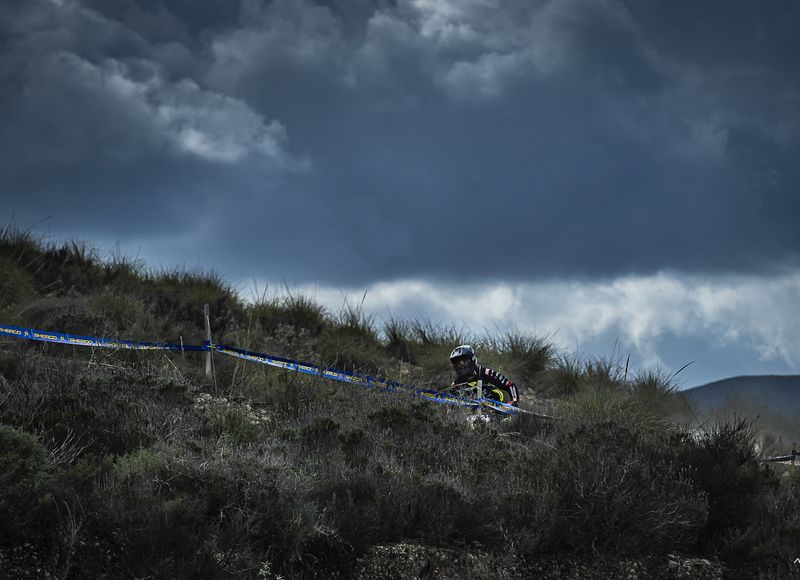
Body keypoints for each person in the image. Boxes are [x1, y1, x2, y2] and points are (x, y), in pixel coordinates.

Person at [449, 344, 519, 407]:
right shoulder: (456, 384)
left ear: (472, 360)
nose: (461, 366)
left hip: (496, 413)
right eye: (458, 364)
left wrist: (514, 401)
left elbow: (510, 385)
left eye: (464, 362)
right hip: (470, 415)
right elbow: (450, 405)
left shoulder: (486, 372)